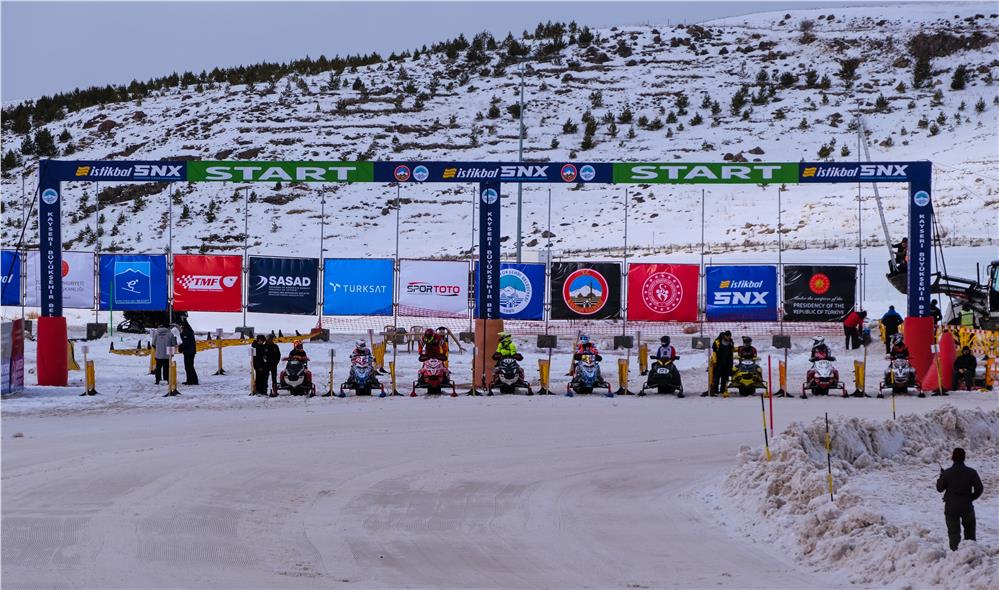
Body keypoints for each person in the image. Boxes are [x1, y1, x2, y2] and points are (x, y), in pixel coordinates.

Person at [936, 447, 984, 551]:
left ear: (952, 457)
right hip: (967, 507)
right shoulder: (971, 472)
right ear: (964, 458)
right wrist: (971, 498)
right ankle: (971, 554)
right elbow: (979, 488)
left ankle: (955, 555)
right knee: (970, 532)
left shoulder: (947, 473)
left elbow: (939, 488)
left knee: (954, 534)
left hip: (951, 508)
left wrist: (941, 477)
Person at [707, 331, 734, 397]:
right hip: (719, 362)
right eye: (727, 336)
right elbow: (714, 351)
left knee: (725, 377)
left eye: (729, 336)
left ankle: (723, 390)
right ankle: (714, 390)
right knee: (716, 377)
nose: (728, 337)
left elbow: (731, 351)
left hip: (727, 362)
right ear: (724, 336)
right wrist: (714, 362)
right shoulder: (717, 341)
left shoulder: (730, 342)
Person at [178, 319, 198, 385]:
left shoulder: (186, 332)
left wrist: (180, 347)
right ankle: (194, 380)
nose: (180, 327)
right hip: (191, 351)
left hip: (188, 352)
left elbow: (186, 343)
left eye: (181, 326)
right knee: (190, 366)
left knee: (188, 367)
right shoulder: (189, 330)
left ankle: (190, 381)